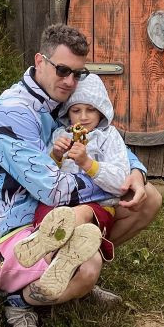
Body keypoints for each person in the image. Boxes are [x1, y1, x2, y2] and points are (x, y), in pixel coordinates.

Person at [0, 24, 162, 327]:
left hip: (55, 216)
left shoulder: (62, 100)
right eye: (62, 70)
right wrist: (106, 185)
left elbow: (104, 138)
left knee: (149, 198)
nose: (71, 81)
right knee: (88, 268)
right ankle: (19, 303)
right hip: (6, 233)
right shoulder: (12, 112)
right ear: (39, 61)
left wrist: (134, 173)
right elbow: (56, 191)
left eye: (77, 73)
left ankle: (65, 271)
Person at [39, 73, 130, 258]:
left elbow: (121, 181)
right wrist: (56, 155)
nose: (83, 117)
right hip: (60, 203)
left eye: (91, 110)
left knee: (80, 215)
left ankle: (47, 249)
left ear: (101, 111)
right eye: (76, 110)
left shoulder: (109, 137)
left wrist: (88, 164)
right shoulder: (59, 136)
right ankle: (44, 246)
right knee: (43, 213)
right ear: (67, 112)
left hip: (97, 206)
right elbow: (41, 176)